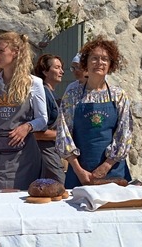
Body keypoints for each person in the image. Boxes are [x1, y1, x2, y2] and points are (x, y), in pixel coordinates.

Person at [57, 38, 133, 187]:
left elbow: (124, 133)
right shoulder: (72, 95)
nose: (100, 62)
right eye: (94, 58)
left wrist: (106, 166)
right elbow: (63, 133)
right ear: (85, 63)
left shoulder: (119, 96)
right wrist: (79, 171)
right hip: (80, 172)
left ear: (110, 64)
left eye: (105, 59)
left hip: (113, 172)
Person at [0, 32, 48, 191]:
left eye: (1, 51)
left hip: (23, 155)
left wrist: (27, 127)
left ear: (15, 52)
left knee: (21, 199)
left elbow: (43, 119)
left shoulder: (33, 83)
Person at [34, 53, 66, 184]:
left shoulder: (52, 93)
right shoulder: (43, 94)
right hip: (44, 150)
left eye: (61, 68)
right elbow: (37, 134)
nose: (62, 71)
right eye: (57, 67)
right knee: (57, 183)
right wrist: (63, 135)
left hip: (53, 148)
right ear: (45, 71)